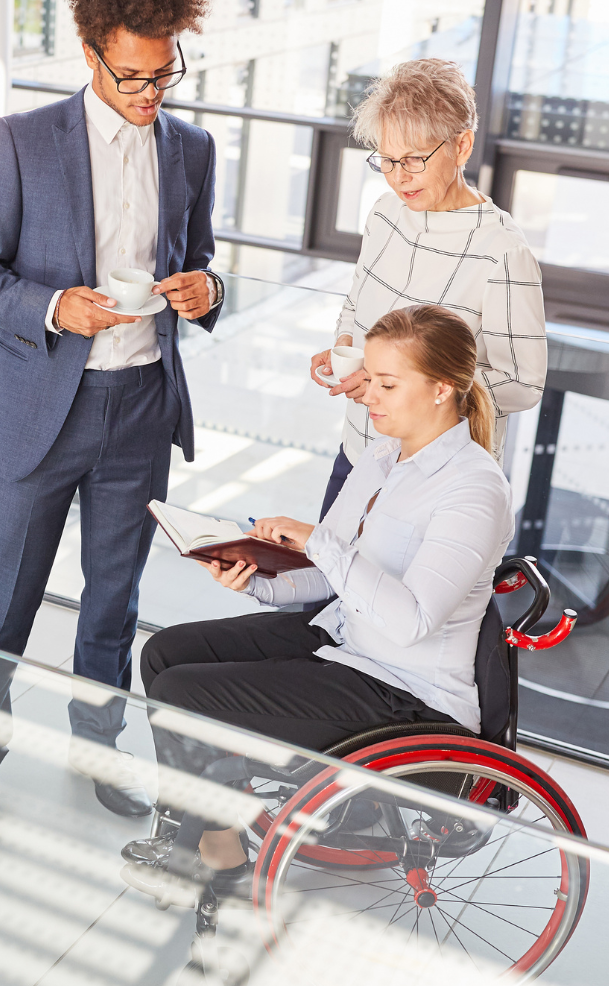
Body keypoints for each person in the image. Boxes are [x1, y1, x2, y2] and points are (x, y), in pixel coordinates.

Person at [0, 0, 225, 843]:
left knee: (113, 606)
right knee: (6, 603)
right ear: (91, 53)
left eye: (164, 73)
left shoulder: (191, 148)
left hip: (141, 407)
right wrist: (54, 305)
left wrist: (207, 291)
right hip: (43, 412)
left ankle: (97, 756)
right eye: (134, 76)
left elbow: (204, 261)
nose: (152, 93)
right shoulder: (24, 142)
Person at [122, 306, 513, 897]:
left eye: (387, 384)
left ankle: (212, 849)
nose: (368, 397)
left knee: (185, 694)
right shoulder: (384, 459)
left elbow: (410, 621)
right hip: (348, 640)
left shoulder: (474, 488)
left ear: (442, 389)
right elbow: (329, 577)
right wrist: (255, 578)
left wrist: (320, 543)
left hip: (405, 689)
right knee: (166, 654)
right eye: (370, 380)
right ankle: (211, 831)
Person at [311, 58, 546, 518]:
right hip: (359, 454)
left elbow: (523, 382)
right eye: (387, 160)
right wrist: (345, 346)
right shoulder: (383, 213)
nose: (399, 177)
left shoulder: (502, 251)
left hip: (435, 481)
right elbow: (357, 303)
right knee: (321, 588)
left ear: (462, 146)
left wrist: (413, 389)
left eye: (415, 159)